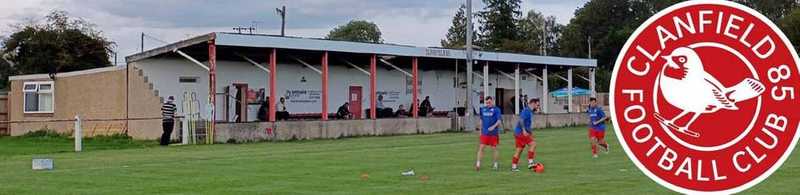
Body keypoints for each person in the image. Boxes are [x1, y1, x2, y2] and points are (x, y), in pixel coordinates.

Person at [511, 98, 540, 172]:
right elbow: (521, 120)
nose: (538, 106)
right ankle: (530, 163)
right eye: (537, 105)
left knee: (519, 150)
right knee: (533, 144)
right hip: (520, 132)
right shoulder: (526, 111)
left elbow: (527, 124)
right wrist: (524, 130)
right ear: (533, 103)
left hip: (518, 133)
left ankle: (514, 167)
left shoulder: (530, 111)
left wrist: (530, 132)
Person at [475, 96, 502, 171]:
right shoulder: (483, 109)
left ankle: (495, 164)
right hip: (484, 133)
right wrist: (480, 130)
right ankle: (478, 164)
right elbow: (481, 120)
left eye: (489, 102)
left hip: (493, 133)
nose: (488, 104)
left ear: (492, 101)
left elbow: (499, 121)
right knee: (481, 148)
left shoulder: (497, 110)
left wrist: (493, 127)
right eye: (486, 103)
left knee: (494, 149)